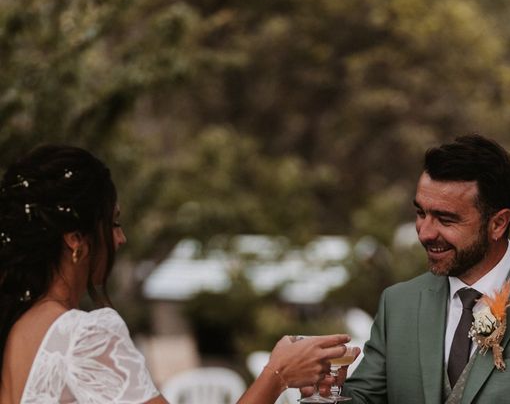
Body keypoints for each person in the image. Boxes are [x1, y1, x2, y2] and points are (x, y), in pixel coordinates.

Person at [0, 144, 349, 404]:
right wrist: (278, 375)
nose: (120, 238)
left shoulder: (19, 329)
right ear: (75, 238)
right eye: (113, 222)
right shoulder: (85, 334)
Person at [341, 134, 510, 403]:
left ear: (498, 223)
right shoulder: (398, 304)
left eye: (445, 219)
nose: (425, 233)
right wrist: (324, 391)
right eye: (421, 213)